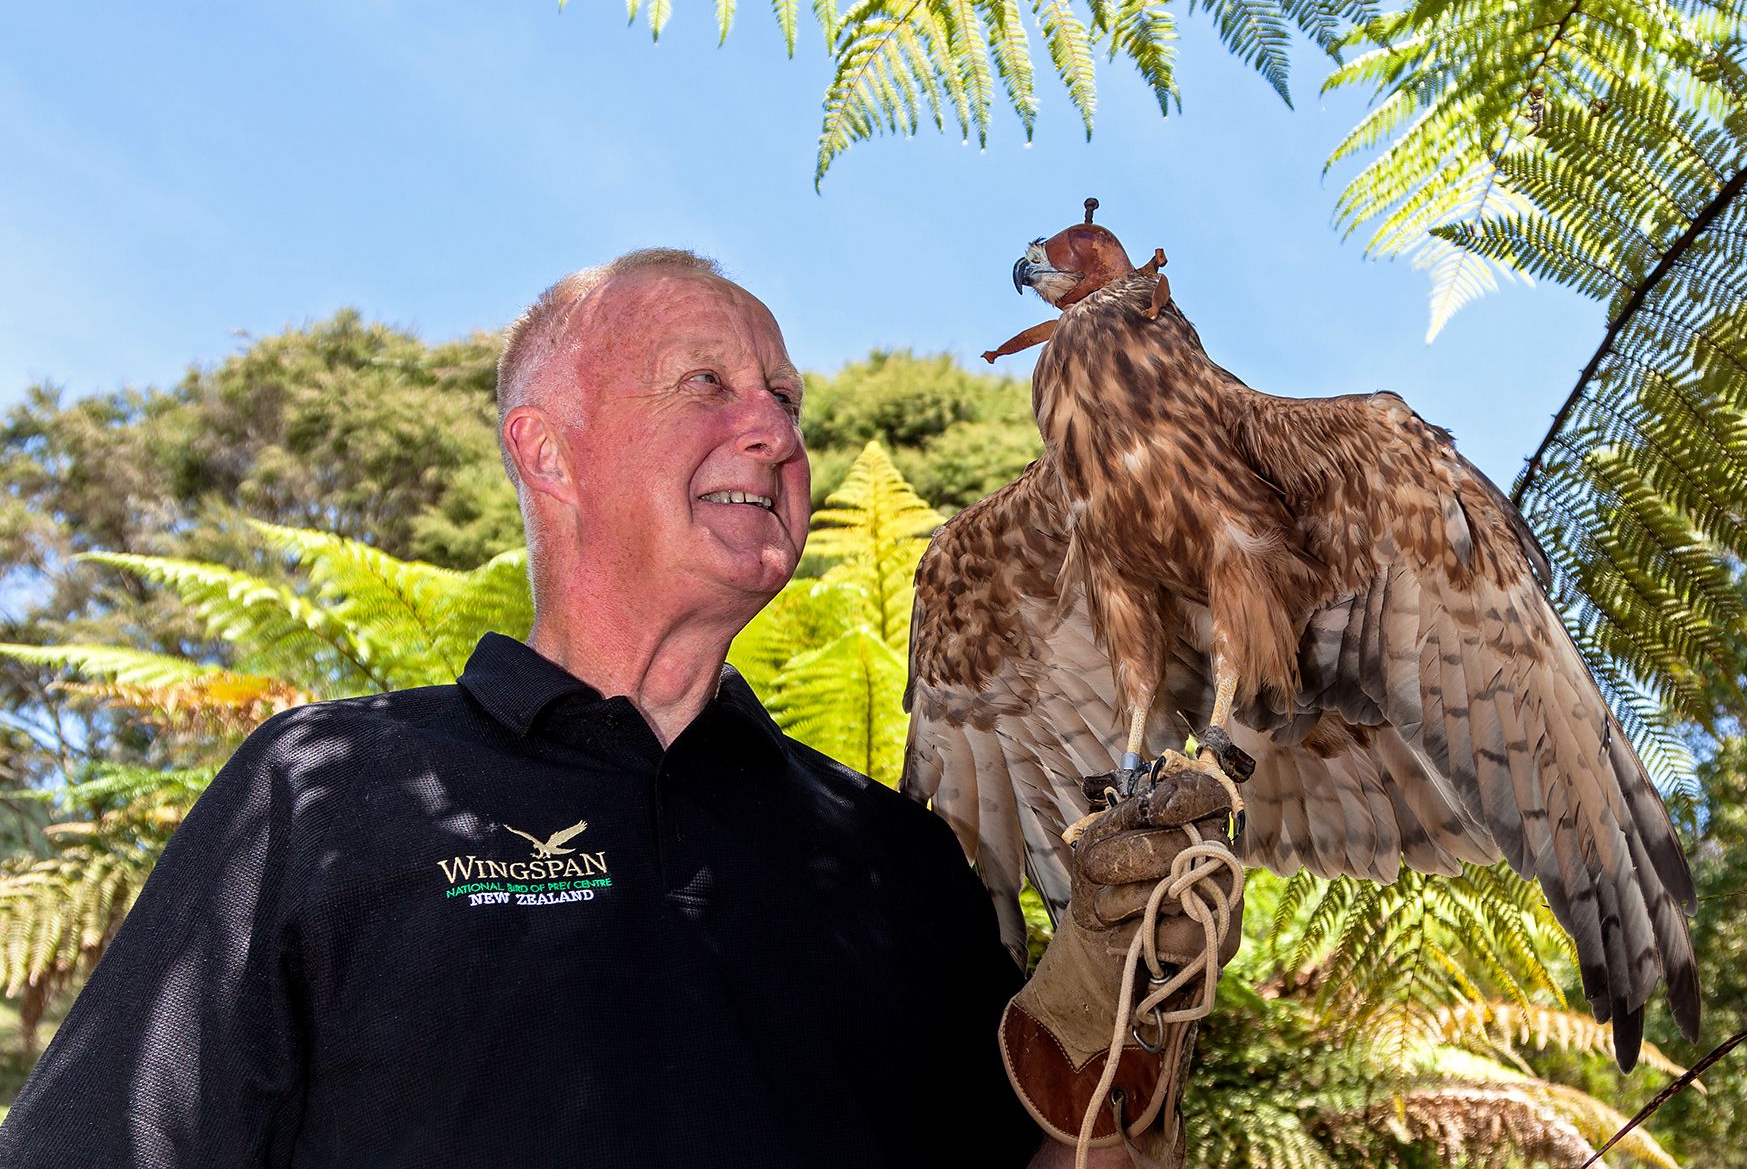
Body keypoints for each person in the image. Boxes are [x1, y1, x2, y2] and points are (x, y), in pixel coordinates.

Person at [0, 249, 1240, 1168]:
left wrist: (1120, 1014)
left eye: (786, 399)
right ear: (545, 452)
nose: (773, 429)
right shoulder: (325, 786)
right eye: (705, 382)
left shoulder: (900, 860)